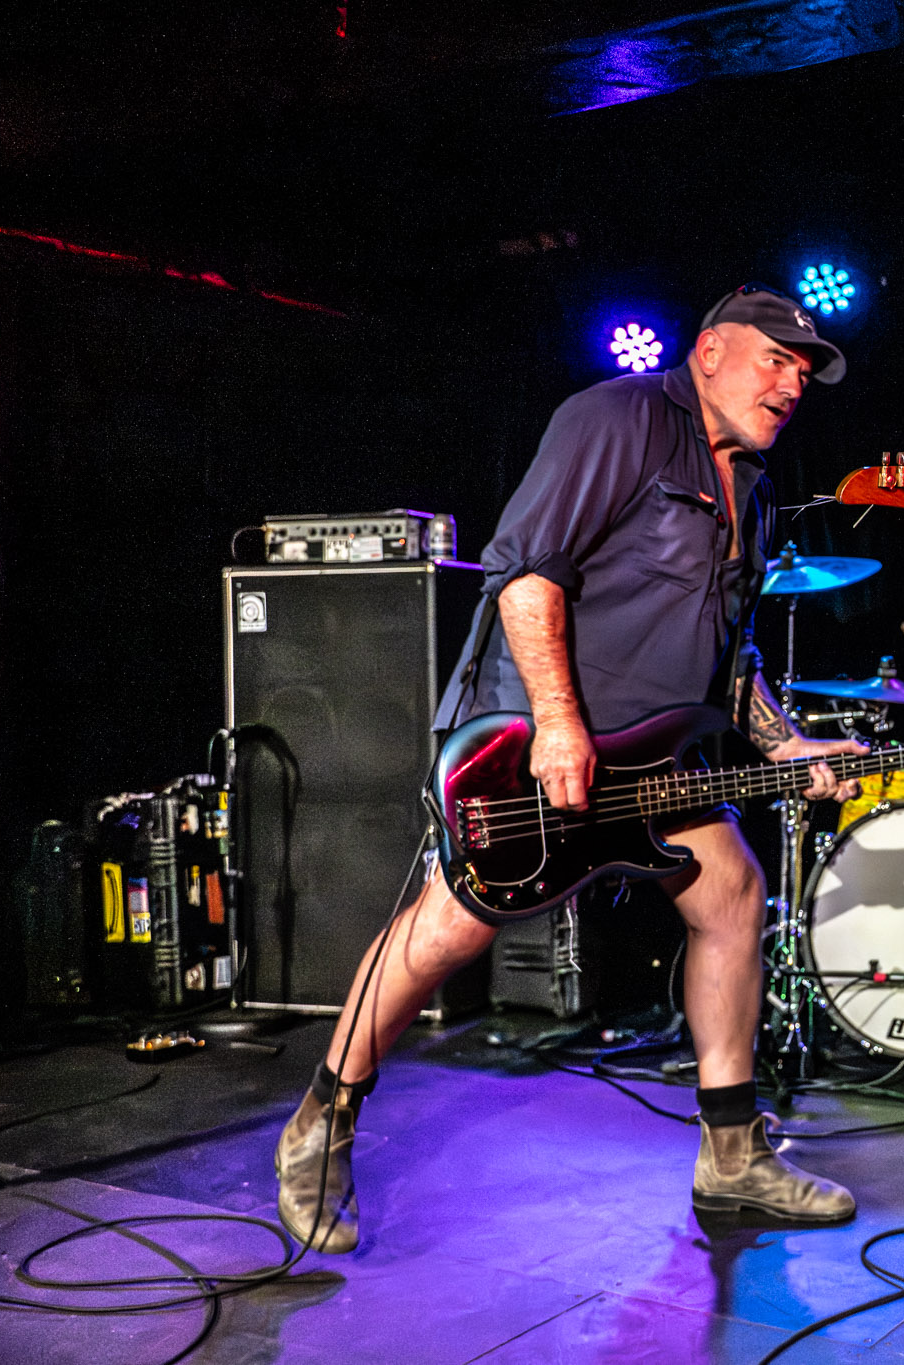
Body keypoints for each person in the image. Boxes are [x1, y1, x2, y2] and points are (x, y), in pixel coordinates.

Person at [274, 285, 868, 1254]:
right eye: (776, 359)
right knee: (450, 928)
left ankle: (730, 1155)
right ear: (710, 352)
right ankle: (320, 1124)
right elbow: (525, 573)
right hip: (529, 739)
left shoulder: (754, 492)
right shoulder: (619, 418)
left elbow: (732, 657)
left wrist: (784, 744)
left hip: (652, 754)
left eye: (804, 371)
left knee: (730, 894)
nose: (793, 384)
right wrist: (556, 724)